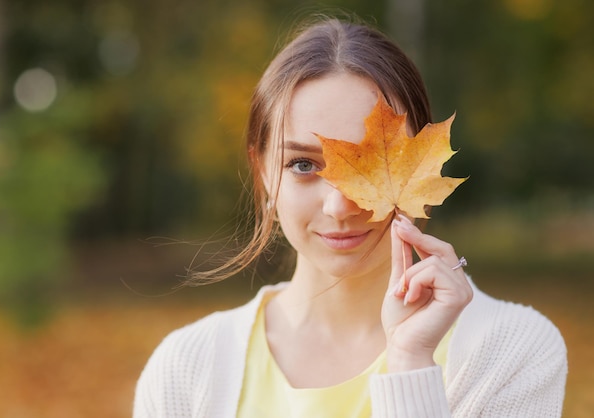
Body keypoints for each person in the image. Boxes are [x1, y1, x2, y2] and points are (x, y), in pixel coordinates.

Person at [133, 17, 567, 417]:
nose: (339, 207)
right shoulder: (186, 368)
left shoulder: (511, 351)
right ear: (262, 173)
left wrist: (410, 366)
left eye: (371, 167)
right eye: (303, 165)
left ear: (421, 165)